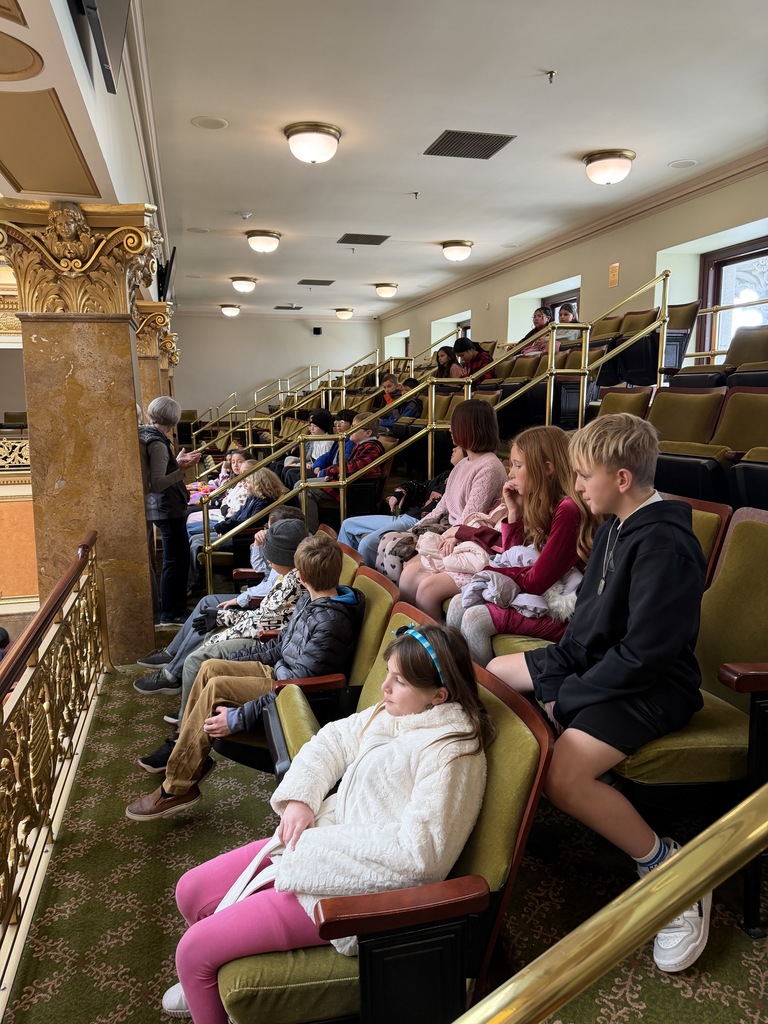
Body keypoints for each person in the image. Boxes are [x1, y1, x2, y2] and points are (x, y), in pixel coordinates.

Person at [158, 623, 495, 1023]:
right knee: (190, 891)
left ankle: (203, 982)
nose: (384, 688)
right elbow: (334, 739)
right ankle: (203, 984)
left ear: (439, 695)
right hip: (320, 847)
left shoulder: (453, 753)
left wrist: (314, 848)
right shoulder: (403, 712)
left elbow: (421, 857)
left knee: (193, 951)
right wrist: (301, 799)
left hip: (353, 893)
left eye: (398, 681)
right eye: (387, 673)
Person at [487, 413, 709, 974]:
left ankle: (669, 867)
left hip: (655, 688)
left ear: (624, 478)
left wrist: (574, 696)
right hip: (605, 669)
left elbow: (647, 656)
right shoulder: (613, 523)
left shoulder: (667, 543)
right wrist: (556, 673)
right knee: (489, 678)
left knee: (564, 775)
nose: (577, 486)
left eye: (584, 475)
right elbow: (589, 629)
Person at [125, 533, 366, 822]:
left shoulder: (332, 620)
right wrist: (229, 660)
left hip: (291, 690)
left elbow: (297, 686)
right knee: (210, 667)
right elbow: (280, 646)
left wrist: (237, 718)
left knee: (215, 687)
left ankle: (177, 786)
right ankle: (189, 758)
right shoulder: (312, 600)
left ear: (300, 576)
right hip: (280, 673)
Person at [445, 425, 596, 663]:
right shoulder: (540, 503)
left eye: (517, 465)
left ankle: (481, 696)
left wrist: (493, 572)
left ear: (547, 469)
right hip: (543, 597)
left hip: (566, 613)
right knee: (458, 602)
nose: (511, 473)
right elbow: (514, 555)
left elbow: (536, 581)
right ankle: (459, 686)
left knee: (476, 619)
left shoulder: (568, 509)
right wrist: (514, 511)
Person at [133, 512, 309, 702]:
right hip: (261, 620)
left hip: (264, 633)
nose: (263, 533)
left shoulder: (293, 583)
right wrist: (258, 546)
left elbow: (266, 619)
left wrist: (225, 615)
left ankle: (180, 691)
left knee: (206, 635)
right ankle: (173, 661)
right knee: (208, 616)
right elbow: (264, 581)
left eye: (267, 530)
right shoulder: (290, 575)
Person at [391, 399, 507, 597]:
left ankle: (413, 621)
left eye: (455, 424)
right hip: (448, 530)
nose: (451, 430)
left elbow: (469, 516)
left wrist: (437, 538)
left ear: (469, 427)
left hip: (460, 537)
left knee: (404, 563)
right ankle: (397, 615)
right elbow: (443, 505)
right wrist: (417, 527)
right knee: (392, 543)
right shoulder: (463, 463)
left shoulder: (490, 467)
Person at [337, 444, 463, 567]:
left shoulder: (462, 481)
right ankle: (341, 572)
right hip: (406, 516)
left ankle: (364, 582)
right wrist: (400, 492)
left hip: (418, 523)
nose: (453, 448)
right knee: (348, 525)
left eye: (458, 447)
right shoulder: (447, 474)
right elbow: (420, 486)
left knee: (367, 543)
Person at [140, 397, 201, 625]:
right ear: (173, 420)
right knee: (175, 561)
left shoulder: (150, 437)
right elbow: (156, 483)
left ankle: (174, 609)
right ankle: (171, 612)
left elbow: (160, 469)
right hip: (166, 508)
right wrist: (181, 469)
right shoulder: (156, 442)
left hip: (166, 507)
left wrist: (175, 462)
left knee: (177, 559)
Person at [188, 464, 287, 588]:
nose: (245, 485)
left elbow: (250, 522)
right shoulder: (253, 498)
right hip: (233, 532)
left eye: (248, 482)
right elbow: (238, 515)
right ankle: (194, 578)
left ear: (258, 484)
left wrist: (224, 526)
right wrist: (224, 525)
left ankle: (193, 582)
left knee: (196, 543)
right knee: (194, 539)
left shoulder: (264, 502)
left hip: (239, 537)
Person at [282, 409, 334, 489]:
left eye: (315, 426)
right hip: (312, 465)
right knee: (287, 469)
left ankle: (295, 498)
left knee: (291, 472)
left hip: (318, 470)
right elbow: (310, 457)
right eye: (311, 426)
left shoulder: (327, 443)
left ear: (323, 427)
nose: (311, 429)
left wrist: (299, 464)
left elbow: (324, 463)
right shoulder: (315, 438)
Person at [311, 410, 355, 478]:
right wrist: (318, 465)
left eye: (342, 422)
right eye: (336, 423)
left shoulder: (352, 442)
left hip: (334, 474)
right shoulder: (340, 439)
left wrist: (325, 471)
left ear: (352, 425)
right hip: (329, 471)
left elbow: (345, 462)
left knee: (298, 480)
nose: (338, 426)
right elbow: (328, 455)